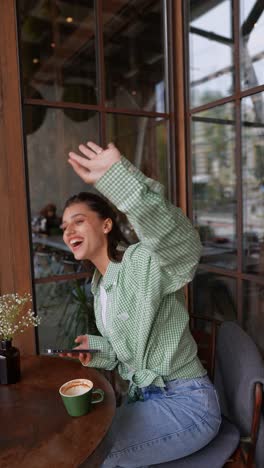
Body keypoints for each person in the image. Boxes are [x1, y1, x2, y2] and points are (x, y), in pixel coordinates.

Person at [61, 141, 221, 467]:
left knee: (90, 453)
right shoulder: (101, 287)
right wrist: (98, 350)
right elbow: (133, 353)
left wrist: (121, 182)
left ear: (106, 225)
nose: (68, 231)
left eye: (78, 221)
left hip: (187, 402)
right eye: (65, 226)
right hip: (147, 401)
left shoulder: (138, 261)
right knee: (78, 437)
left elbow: (182, 246)